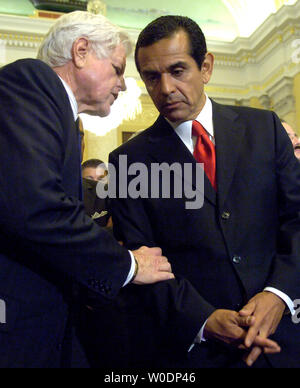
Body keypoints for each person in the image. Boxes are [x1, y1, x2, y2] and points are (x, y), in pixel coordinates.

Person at [109, 15, 300, 368]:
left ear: (206, 66)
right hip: (198, 353)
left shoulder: (265, 129)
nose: (165, 88)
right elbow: (142, 262)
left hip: (285, 340)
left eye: (178, 70)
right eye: (152, 77)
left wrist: (279, 295)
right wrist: (204, 319)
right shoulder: (126, 162)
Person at [0, 11, 174, 368]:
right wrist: (128, 264)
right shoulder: (32, 82)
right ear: (81, 51)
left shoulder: (62, 115)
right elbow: (35, 206)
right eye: (117, 68)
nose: (123, 84)